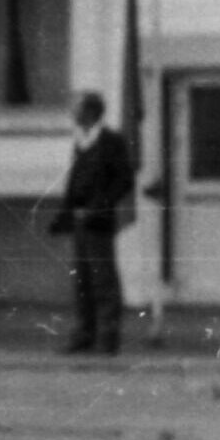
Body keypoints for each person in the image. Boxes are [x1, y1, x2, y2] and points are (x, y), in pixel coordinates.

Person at [52, 88, 137, 357]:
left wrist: (97, 207)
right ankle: (84, 335)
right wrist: (68, 213)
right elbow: (74, 182)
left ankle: (107, 339)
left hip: (98, 222)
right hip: (79, 222)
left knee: (103, 281)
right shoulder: (80, 141)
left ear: (89, 111)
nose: (72, 113)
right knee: (82, 281)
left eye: (76, 108)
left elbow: (123, 180)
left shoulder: (111, 141)